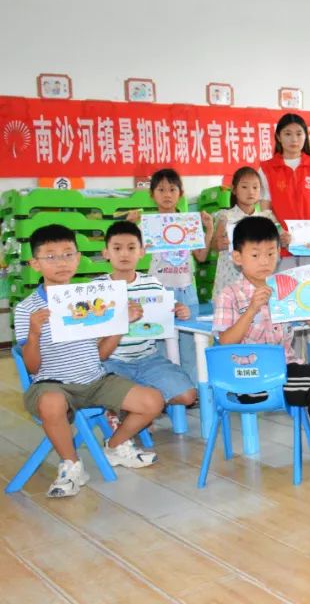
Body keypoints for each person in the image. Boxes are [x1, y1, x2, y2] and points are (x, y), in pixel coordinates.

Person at [214, 216, 310, 474]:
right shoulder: (230, 294)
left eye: (271, 253)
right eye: (255, 254)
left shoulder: (283, 288)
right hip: (250, 377)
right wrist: (251, 309)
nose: (265, 261)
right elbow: (224, 342)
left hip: (284, 368)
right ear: (238, 257)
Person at [16, 224, 162, 498]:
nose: (61, 262)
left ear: (78, 257)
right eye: (51, 256)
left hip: (95, 379)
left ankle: (115, 446)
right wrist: (34, 333)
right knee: (51, 402)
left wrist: (120, 323)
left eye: (68, 254)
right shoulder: (27, 309)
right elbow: (32, 367)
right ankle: (71, 465)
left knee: (153, 400)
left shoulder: (91, 299)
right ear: (35, 264)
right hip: (52, 384)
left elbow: (101, 355)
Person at [98, 221, 197, 419]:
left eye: (131, 248)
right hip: (112, 362)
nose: (124, 254)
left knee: (188, 396)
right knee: (120, 396)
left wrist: (180, 309)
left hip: (148, 359)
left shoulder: (152, 283)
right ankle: (140, 405)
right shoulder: (98, 288)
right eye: (117, 248)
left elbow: (169, 306)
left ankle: (141, 400)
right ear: (106, 253)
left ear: (142, 252)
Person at [126, 168, 213, 383]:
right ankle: (168, 388)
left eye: (172, 189)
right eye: (161, 189)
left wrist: (209, 229)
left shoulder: (189, 224)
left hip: (186, 290)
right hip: (158, 290)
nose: (167, 194)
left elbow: (201, 256)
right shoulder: (146, 225)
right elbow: (131, 252)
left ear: (180, 193)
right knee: (160, 340)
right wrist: (129, 226)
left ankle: (193, 387)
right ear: (152, 194)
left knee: (190, 341)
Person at [258, 113, 310, 269]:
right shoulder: (266, 169)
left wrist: (308, 233)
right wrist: (279, 232)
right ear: (278, 137)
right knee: (284, 284)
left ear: (305, 136)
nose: (294, 139)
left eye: (299, 134)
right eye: (288, 134)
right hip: (281, 245)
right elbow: (265, 208)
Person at [211, 166, 277, 301]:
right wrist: (221, 243)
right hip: (230, 276)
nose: (250, 192)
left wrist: (283, 239)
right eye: (245, 187)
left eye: (255, 187)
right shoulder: (226, 216)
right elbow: (214, 245)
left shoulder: (266, 218)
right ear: (234, 190)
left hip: (257, 278)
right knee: (229, 310)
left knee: (257, 308)